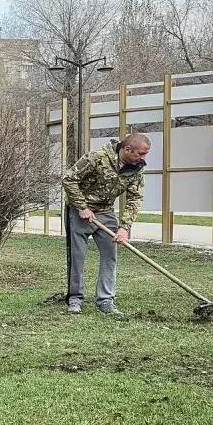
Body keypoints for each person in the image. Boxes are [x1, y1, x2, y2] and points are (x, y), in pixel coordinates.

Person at [60, 132, 149, 316]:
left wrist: (124, 227)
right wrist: (82, 206)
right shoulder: (97, 157)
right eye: (140, 154)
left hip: (105, 212)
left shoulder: (137, 168)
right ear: (127, 149)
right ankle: (75, 299)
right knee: (77, 256)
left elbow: (135, 198)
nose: (143, 158)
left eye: (145, 154)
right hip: (79, 211)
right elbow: (69, 179)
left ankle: (105, 300)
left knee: (110, 254)